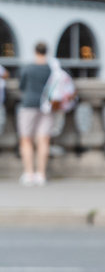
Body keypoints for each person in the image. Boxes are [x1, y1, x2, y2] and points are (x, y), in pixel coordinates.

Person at [16, 42, 55, 186]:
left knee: (26, 139)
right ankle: (41, 174)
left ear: (35, 51)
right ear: (47, 51)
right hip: (47, 106)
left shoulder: (28, 68)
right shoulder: (51, 68)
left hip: (29, 104)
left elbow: (21, 86)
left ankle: (29, 173)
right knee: (43, 140)